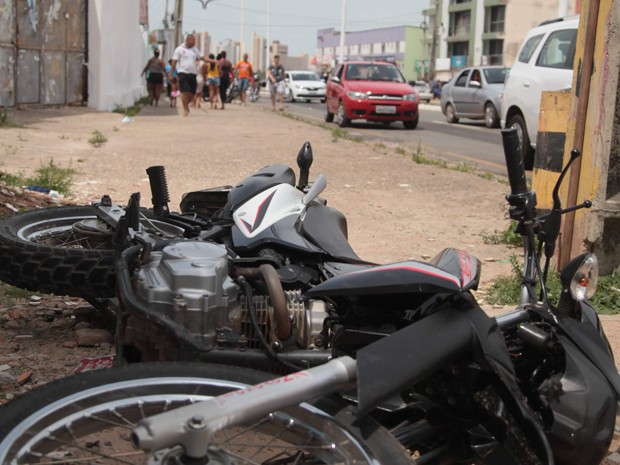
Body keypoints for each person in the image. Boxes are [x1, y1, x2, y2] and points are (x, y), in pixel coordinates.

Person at [170, 34, 214, 116]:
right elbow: (174, 62)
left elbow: (203, 58)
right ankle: (185, 109)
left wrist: (213, 61)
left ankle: (186, 104)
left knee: (192, 93)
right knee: (184, 91)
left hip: (193, 74)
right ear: (188, 40)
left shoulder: (195, 50)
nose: (194, 42)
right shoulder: (179, 49)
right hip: (182, 72)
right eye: (193, 40)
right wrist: (171, 74)